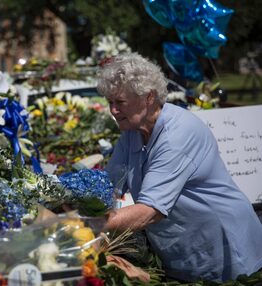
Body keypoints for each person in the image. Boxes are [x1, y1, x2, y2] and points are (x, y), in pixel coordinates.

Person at [97, 53, 262, 282]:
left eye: (120, 102)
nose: (113, 110)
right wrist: (69, 201)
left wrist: (86, 226)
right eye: (110, 102)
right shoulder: (132, 133)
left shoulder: (177, 134)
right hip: (184, 247)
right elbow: (107, 185)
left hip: (224, 248)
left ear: (148, 97)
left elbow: (149, 211)